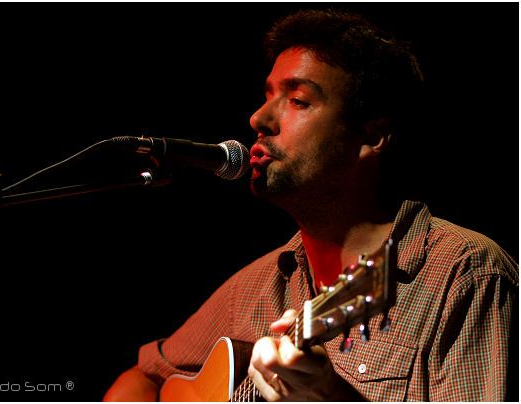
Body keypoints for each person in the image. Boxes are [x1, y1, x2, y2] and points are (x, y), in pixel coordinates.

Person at [103, 9, 518, 401]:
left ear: (371, 136)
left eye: (298, 100)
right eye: (267, 95)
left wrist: (332, 398)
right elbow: (143, 376)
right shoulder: (255, 288)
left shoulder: (463, 273)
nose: (258, 118)